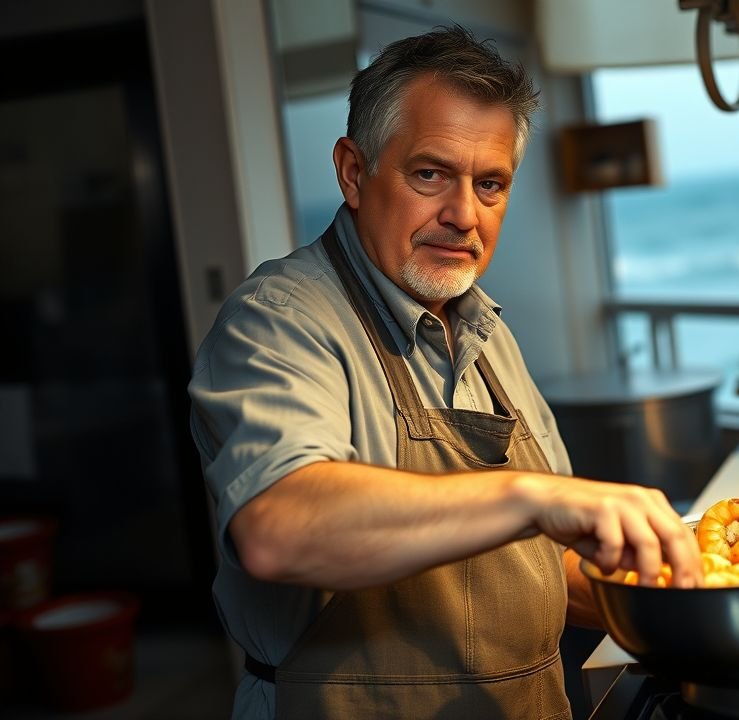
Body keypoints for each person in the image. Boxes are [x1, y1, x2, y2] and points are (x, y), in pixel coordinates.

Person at [188, 25, 701, 720]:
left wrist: (702, 602)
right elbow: (278, 526)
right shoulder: (279, 317)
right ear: (353, 170)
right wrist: (528, 497)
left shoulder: (486, 329)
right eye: (430, 174)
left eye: (490, 184)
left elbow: (550, 566)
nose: (464, 215)